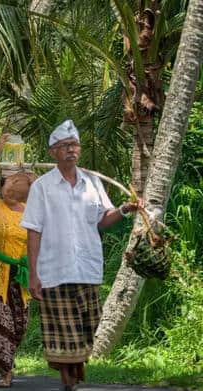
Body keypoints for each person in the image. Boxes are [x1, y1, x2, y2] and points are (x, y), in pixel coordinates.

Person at [21, 120, 143, 391]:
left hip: (87, 267)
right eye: (65, 146)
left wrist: (124, 209)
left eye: (74, 145)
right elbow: (33, 231)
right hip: (54, 269)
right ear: (53, 152)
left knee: (88, 326)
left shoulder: (92, 183)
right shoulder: (42, 187)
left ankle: (74, 375)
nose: (71, 150)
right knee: (64, 331)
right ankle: (68, 382)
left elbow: (102, 219)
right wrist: (33, 273)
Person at [0, 133, 36, 387]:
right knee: (0, 322)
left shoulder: (30, 208)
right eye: (9, 182)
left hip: (21, 275)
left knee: (20, 324)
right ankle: (5, 371)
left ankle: (8, 361)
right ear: (2, 186)